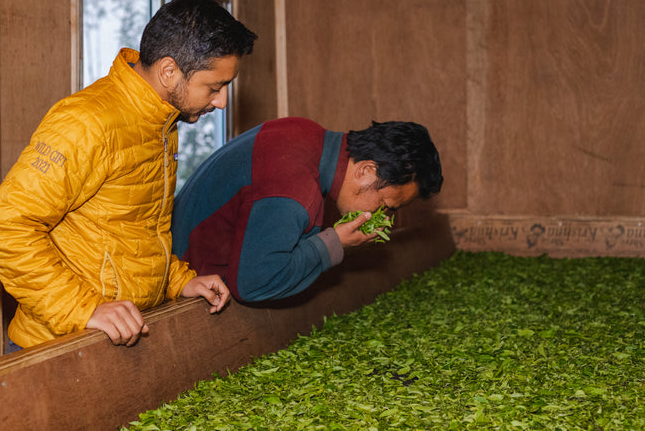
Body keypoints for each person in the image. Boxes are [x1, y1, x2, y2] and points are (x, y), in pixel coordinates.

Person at [0, 0, 258, 348]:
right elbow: (5, 228)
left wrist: (179, 281)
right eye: (214, 88)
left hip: (119, 339)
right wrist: (85, 308)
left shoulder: (162, 122)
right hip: (58, 347)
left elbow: (133, 230)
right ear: (169, 71)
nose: (220, 102)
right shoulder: (87, 122)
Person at [171, 117, 443, 302]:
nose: (381, 216)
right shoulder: (296, 189)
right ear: (366, 171)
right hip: (178, 284)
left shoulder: (306, 133)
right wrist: (334, 243)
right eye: (385, 205)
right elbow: (253, 284)